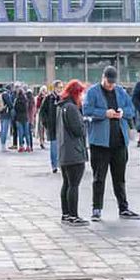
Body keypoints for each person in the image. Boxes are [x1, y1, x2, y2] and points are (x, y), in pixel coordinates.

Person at [82, 65, 140, 221]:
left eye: (113, 83)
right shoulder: (92, 92)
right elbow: (86, 110)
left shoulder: (120, 91)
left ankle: (124, 208)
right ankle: (96, 208)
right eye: (108, 82)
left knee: (119, 178)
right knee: (99, 177)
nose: (110, 85)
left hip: (119, 142)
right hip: (100, 143)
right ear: (103, 78)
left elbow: (131, 110)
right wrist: (104, 113)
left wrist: (122, 113)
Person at [56, 80, 89, 225]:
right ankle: (74, 215)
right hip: (74, 152)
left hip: (64, 151)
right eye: (81, 94)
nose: (82, 97)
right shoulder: (71, 108)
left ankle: (66, 214)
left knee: (66, 183)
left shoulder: (61, 107)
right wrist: (84, 123)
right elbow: (78, 130)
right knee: (74, 184)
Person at [38, 81, 62, 173]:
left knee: (61, 146)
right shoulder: (49, 98)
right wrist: (46, 123)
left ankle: (60, 163)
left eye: (61, 87)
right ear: (55, 88)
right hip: (52, 126)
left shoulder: (63, 97)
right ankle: (54, 165)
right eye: (59, 87)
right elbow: (42, 112)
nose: (60, 89)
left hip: (61, 126)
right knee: (54, 146)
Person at [13, 84, 32, 151]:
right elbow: (27, 108)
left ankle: (21, 146)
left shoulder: (16, 100)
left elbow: (14, 109)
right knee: (27, 133)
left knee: (20, 133)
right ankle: (28, 146)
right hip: (25, 118)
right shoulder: (26, 100)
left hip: (18, 118)